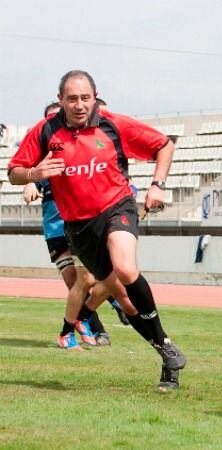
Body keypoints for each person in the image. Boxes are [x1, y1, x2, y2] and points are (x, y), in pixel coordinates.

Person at [8, 70, 186, 391]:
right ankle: (165, 351)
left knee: (125, 268)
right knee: (125, 301)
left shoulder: (113, 124)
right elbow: (13, 173)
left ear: (95, 97)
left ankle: (154, 346)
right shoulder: (47, 131)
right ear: (61, 100)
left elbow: (164, 145)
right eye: (72, 98)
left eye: (85, 98)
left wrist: (157, 185)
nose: (79, 105)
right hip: (78, 226)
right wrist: (34, 172)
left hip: (117, 207)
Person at [22, 101, 129, 349]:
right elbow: (32, 179)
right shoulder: (45, 159)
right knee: (77, 283)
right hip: (55, 231)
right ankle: (95, 329)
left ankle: (113, 301)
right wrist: (30, 183)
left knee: (91, 280)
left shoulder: (79, 151)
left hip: (80, 225)